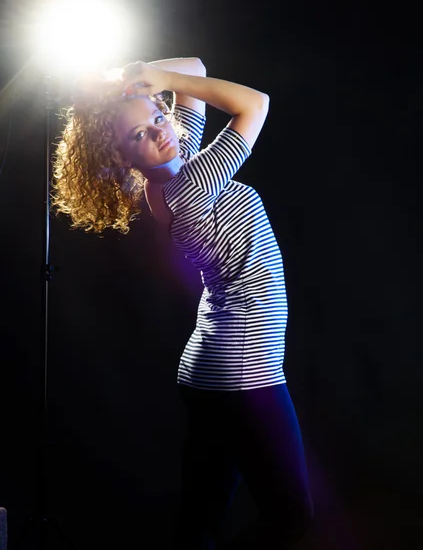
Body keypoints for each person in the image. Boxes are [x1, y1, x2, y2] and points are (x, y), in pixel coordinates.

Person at [52, 57, 314, 549]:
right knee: (290, 518)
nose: (158, 133)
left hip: (210, 371)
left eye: (156, 116)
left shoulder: (174, 167)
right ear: (121, 160)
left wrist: (127, 80)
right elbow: (255, 104)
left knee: (201, 520)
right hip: (241, 371)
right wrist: (162, 83)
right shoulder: (190, 186)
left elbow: (193, 66)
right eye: (138, 137)